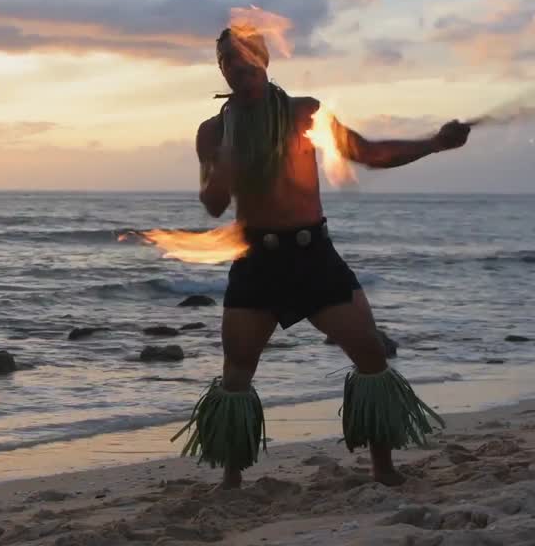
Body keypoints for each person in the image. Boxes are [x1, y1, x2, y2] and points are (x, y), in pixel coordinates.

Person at [172, 27, 471, 489]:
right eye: (228, 60)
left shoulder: (302, 112)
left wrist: (434, 142)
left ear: (265, 60)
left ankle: (383, 467)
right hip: (256, 260)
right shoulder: (213, 131)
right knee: (235, 376)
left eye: (246, 57)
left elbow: (366, 153)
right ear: (221, 69)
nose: (238, 66)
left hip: (313, 256)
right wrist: (227, 164)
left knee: (370, 356)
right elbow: (212, 204)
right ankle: (231, 479)